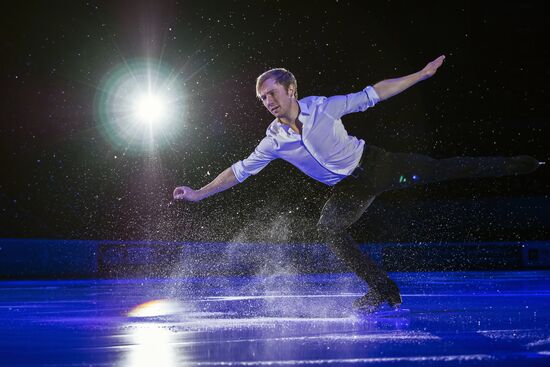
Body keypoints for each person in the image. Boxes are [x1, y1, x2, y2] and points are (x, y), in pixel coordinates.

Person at [173, 55, 542, 312]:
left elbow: (374, 93)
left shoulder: (323, 107)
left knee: (444, 169)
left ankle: (525, 165)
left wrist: (421, 75)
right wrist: (199, 192)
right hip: (349, 188)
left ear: (291, 90)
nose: (267, 101)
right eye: (262, 97)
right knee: (328, 230)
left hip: (378, 165)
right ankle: (384, 291)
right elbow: (239, 171)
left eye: (272, 93)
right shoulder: (272, 141)